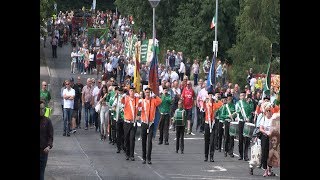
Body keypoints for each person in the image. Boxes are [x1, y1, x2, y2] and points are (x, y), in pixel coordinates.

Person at [138, 87, 162, 164]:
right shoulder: (142, 101)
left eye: (148, 92)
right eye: (146, 92)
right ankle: (144, 158)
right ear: (144, 93)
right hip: (144, 123)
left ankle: (149, 158)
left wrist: (155, 96)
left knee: (149, 142)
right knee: (143, 141)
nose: (147, 94)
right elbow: (138, 109)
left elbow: (160, 101)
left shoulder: (153, 101)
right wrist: (139, 103)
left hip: (151, 124)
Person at [121, 87, 140, 161]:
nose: (132, 92)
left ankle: (132, 155)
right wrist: (123, 95)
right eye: (131, 91)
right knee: (126, 138)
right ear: (129, 92)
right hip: (126, 122)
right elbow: (122, 101)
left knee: (132, 139)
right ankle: (127, 153)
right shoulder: (126, 98)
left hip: (133, 123)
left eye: (133, 91)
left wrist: (138, 115)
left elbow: (140, 108)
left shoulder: (137, 99)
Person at [235, 91, 252, 161]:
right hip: (241, 122)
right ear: (240, 97)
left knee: (247, 139)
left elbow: (250, 113)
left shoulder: (248, 105)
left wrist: (249, 118)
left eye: (243, 95)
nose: (242, 97)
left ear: (245, 96)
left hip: (246, 122)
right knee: (241, 139)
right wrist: (239, 111)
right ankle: (241, 155)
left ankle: (246, 155)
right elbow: (237, 112)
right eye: (241, 95)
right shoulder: (238, 104)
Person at [259, 103, 275, 177]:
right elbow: (261, 128)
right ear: (265, 112)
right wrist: (266, 132)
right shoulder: (263, 118)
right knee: (264, 153)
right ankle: (265, 170)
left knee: (271, 154)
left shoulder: (273, 119)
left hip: (272, 137)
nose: (269, 112)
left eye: (270, 110)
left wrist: (271, 132)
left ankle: (270, 170)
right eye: (267, 111)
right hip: (265, 137)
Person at [203, 92, 218, 162]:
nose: (210, 96)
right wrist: (206, 100)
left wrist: (216, 99)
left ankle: (211, 156)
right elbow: (202, 105)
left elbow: (220, 104)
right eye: (209, 95)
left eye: (211, 95)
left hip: (213, 124)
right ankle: (206, 156)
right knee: (206, 140)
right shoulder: (206, 103)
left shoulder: (215, 104)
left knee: (212, 141)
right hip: (207, 123)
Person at [220, 93, 237, 158]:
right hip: (227, 122)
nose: (229, 99)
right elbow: (222, 115)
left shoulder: (233, 106)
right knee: (226, 136)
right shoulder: (225, 106)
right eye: (228, 98)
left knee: (231, 137)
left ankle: (231, 151)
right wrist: (227, 116)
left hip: (232, 122)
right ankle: (225, 151)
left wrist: (233, 115)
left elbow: (236, 114)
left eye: (230, 98)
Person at [40, 100, 53, 180]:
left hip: (43, 152)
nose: (42, 110)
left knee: (41, 173)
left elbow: (50, 136)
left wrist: (48, 146)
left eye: (43, 108)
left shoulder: (47, 121)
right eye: (40, 109)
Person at [112, 86, 125, 153]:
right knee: (118, 133)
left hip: (124, 118)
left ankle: (123, 146)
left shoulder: (125, 98)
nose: (120, 92)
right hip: (118, 117)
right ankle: (118, 147)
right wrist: (114, 108)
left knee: (123, 133)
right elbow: (113, 105)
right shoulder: (117, 99)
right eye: (119, 91)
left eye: (121, 91)